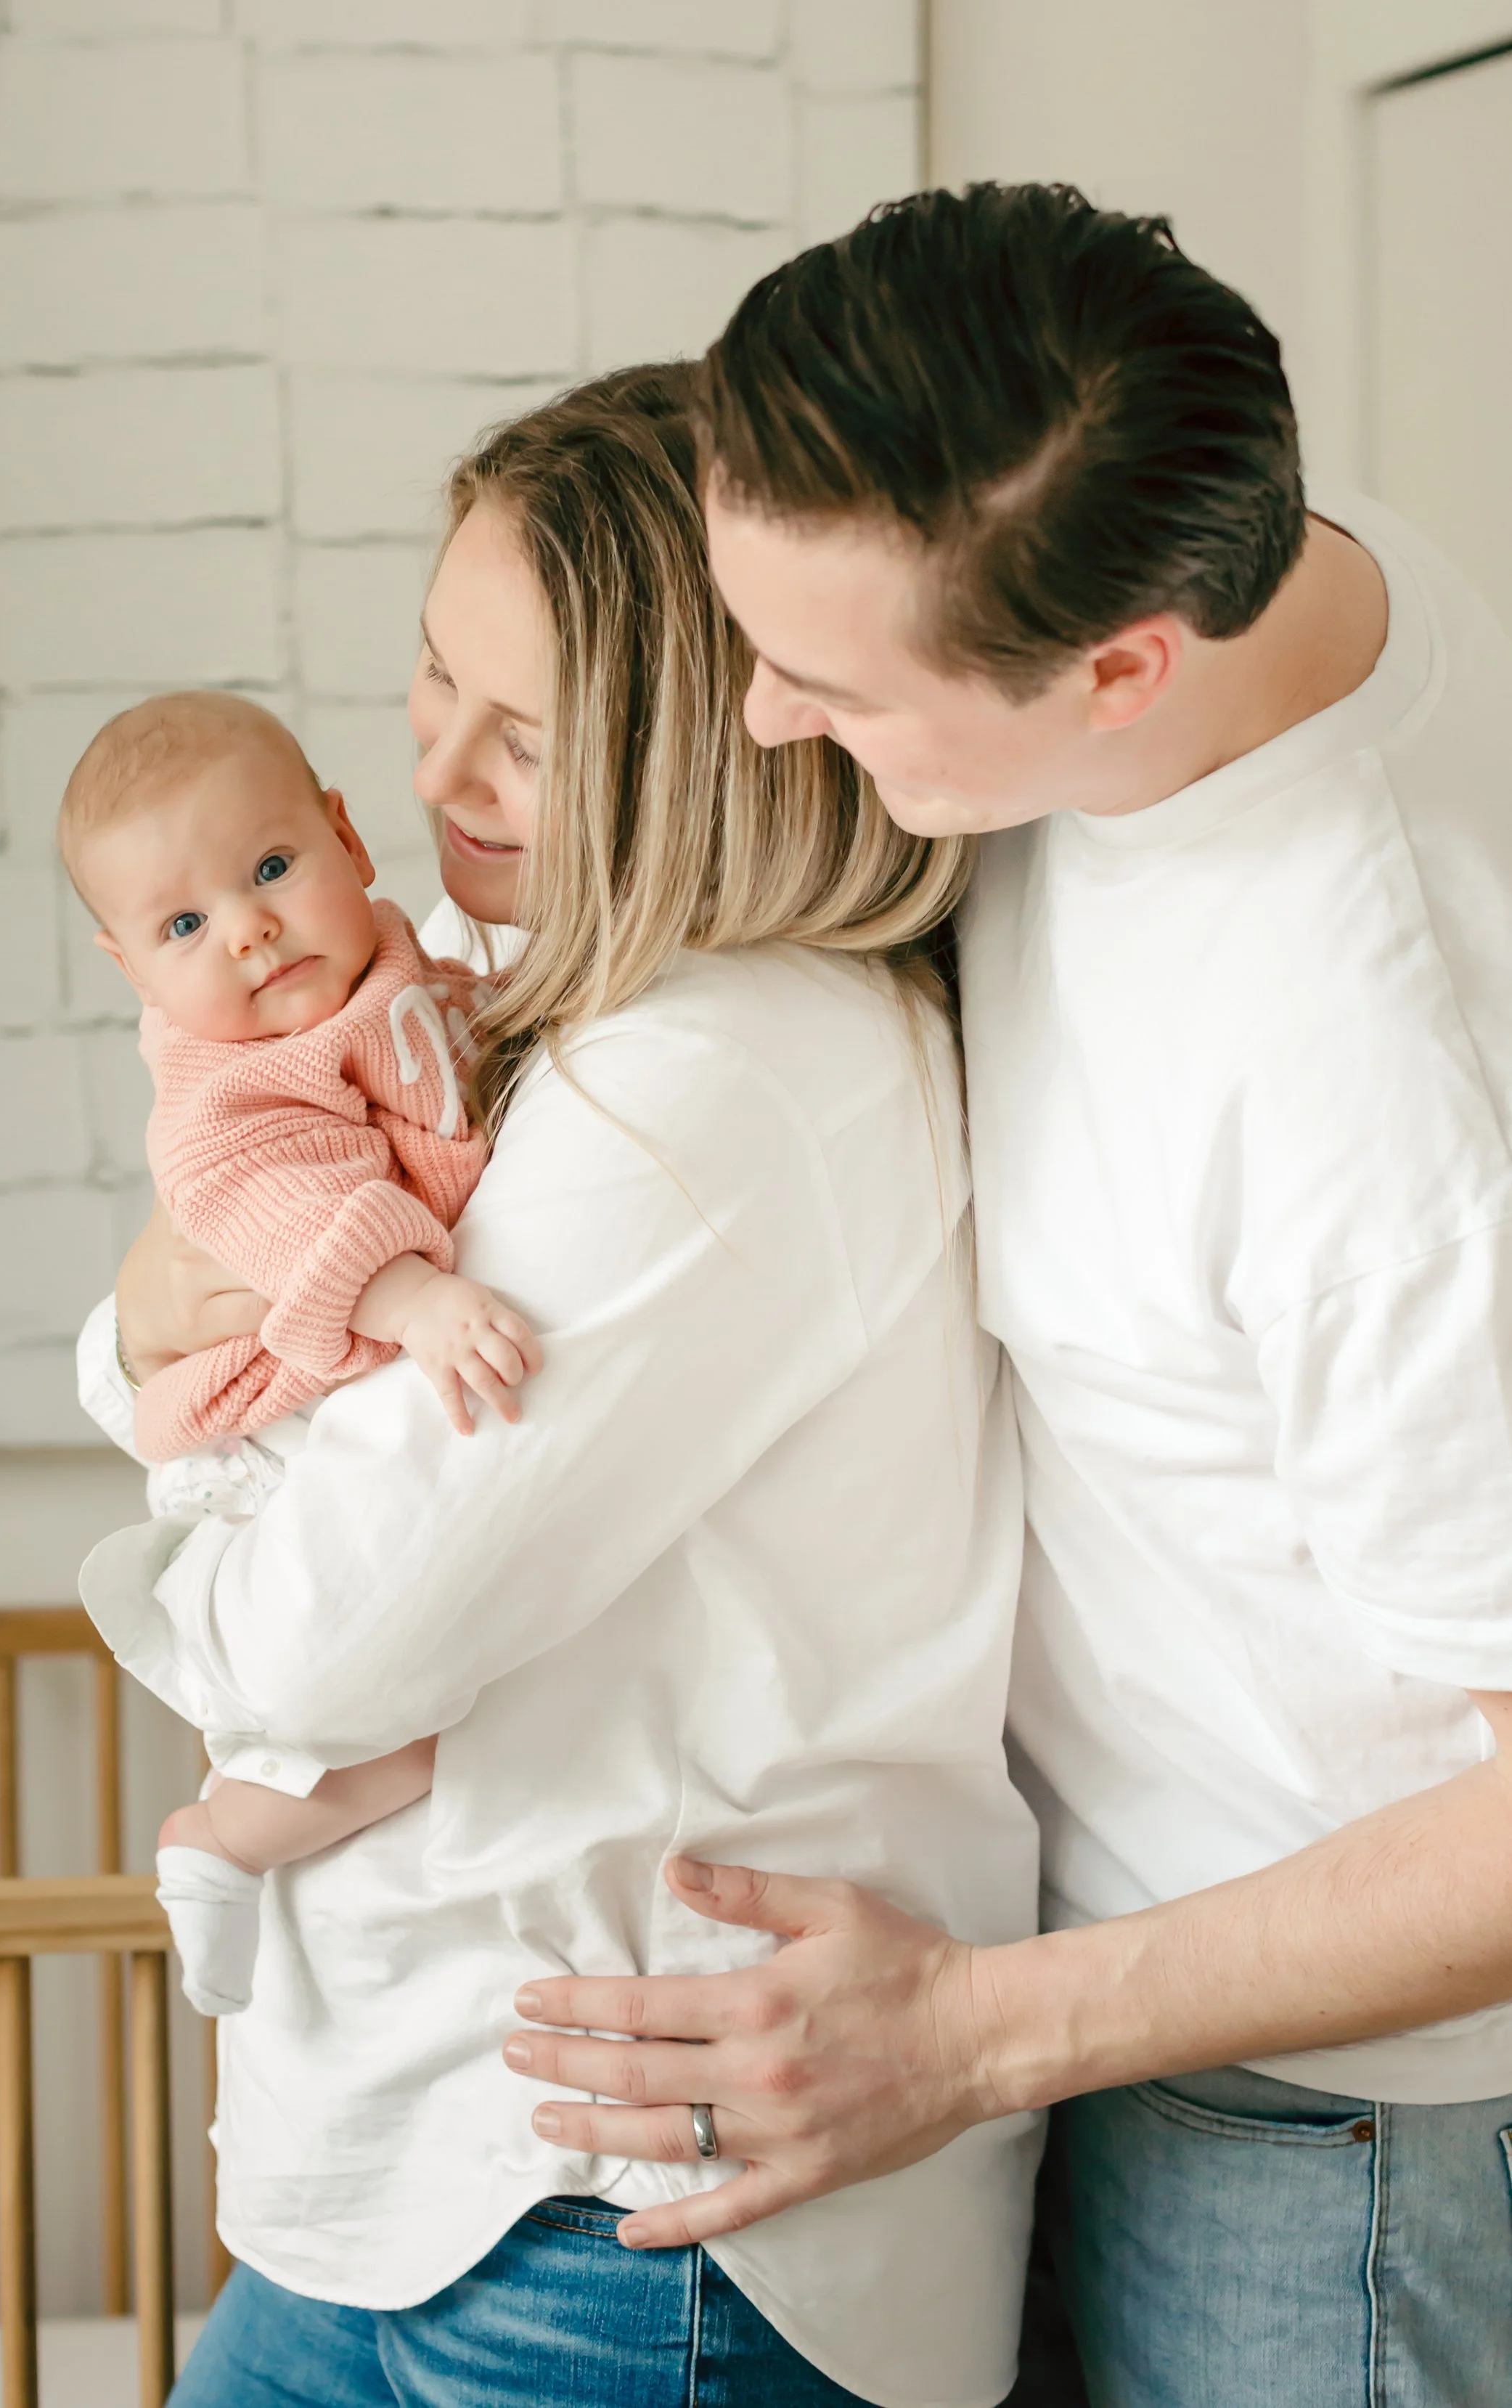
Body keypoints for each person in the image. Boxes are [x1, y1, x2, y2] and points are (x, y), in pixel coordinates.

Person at [502, 187, 1512, 2407]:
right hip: (1066, 1970)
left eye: (832, 685)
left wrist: (972, 2031)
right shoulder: (1199, 542)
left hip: (1321, 2123)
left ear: (1117, 667)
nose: (757, 712)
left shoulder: (1387, 1079)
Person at [75, 364, 1042, 2408]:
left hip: (610, 2197)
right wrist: (146, 1318)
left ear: (699, 750)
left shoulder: (715, 1073)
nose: (434, 764)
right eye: (434, 674)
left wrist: (183, 1470)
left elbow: (321, 1641)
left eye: (523, 734)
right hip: (423, 2151)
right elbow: (219, 1228)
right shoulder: (496, 970)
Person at [59, 687, 537, 2017]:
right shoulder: (227, 1090)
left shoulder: (399, 964)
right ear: (132, 968)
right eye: (184, 926)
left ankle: (244, 1833)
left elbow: (466, 1048)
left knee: (461, 1707)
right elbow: (297, 1210)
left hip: (350, 1377)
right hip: (273, 1432)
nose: (249, 929)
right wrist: (414, 1300)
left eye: (271, 867)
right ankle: (226, 1837)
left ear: (346, 837)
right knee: (410, 1717)